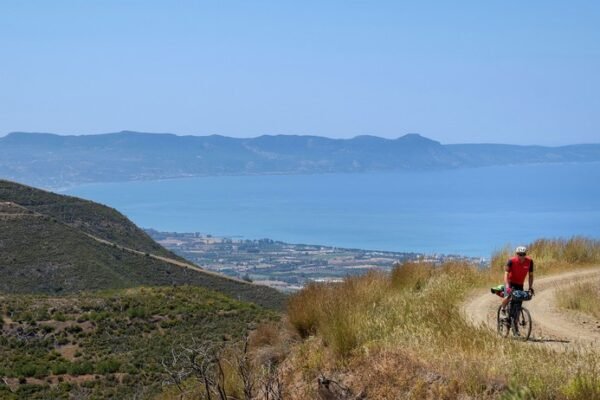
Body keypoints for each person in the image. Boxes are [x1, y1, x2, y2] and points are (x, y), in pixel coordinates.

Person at [501, 246, 534, 313]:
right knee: (507, 297)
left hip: (520, 284)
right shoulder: (511, 261)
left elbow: (531, 275)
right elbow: (506, 273)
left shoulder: (530, 261)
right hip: (509, 282)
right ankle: (503, 310)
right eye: (520, 254)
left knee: (519, 302)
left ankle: (515, 321)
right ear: (517, 254)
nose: (522, 256)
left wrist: (530, 287)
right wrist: (507, 285)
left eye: (523, 254)